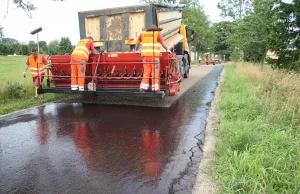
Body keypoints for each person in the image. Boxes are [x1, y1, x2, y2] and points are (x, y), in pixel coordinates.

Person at [135, 24, 171, 92]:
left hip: (145, 58)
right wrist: (167, 50)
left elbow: (137, 42)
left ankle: (143, 88)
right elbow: (162, 43)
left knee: (146, 72)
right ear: (155, 30)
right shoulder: (157, 34)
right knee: (155, 72)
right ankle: (155, 88)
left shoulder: (143, 34)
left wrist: (136, 50)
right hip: (154, 58)